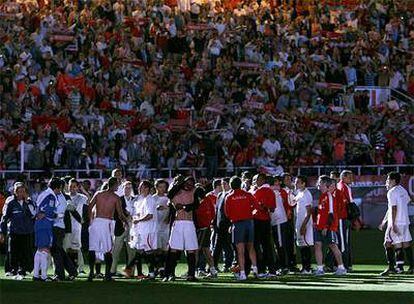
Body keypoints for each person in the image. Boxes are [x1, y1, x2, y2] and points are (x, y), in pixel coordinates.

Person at [88, 177, 128, 281]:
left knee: (92, 248)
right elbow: (120, 214)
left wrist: (90, 220)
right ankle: (107, 275)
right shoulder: (116, 198)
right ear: (114, 185)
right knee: (108, 250)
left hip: (96, 222)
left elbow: (89, 206)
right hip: (106, 223)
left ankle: (91, 274)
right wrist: (126, 221)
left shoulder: (98, 194)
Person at [164, 176, 199, 282]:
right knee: (174, 248)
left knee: (191, 249)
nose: (189, 186)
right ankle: (170, 274)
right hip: (178, 223)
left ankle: (191, 274)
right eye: (187, 183)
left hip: (189, 223)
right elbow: (170, 195)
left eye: (191, 184)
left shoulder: (194, 192)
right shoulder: (175, 191)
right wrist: (179, 184)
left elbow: (195, 205)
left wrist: (184, 207)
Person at [224, 176, 259, 281]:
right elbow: (257, 208)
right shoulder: (248, 195)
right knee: (251, 247)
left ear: (231, 185)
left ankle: (243, 274)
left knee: (240, 250)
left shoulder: (229, 197)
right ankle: (256, 270)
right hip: (249, 223)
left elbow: (227, 214)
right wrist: (250, 214)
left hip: (237, 224)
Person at [379, 172, 413, 275]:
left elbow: (394, 208)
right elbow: (408, 201)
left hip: (396, 222)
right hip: (405, 221)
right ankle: (410, 266)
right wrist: (384, 221)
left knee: (388, 243)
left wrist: (392, 224)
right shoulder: (402, 190)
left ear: (393, 181)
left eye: (388, 180)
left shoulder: (391, 192)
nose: (386, 182)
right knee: (405, 243)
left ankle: (392, 267)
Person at [0, 182, 35, 280]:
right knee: (13, 252)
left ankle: (22, 271)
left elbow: (33, 215)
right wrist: (2, 232)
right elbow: (4, 218)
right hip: (14, 231)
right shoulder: (11, 203)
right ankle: (13, 270)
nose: (21, 193)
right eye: (19, 191)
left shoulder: (29, 202)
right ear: (15, 192)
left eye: (23, 191)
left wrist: (28, 203)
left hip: (26, 232)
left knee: (25, 252)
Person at [314, 176, 347, 276]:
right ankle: (320, 269)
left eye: (320, 183)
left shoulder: (329, 196)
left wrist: (325, 227)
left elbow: (331, 214)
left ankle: (341, 268)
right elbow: (321, 212)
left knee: (333, 246)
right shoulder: (322, 196)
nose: (318, 184)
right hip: (319, 227)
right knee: (317, 245)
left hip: (329, 227)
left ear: (325, 184)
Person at [32, 178, 61, 281]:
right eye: (60, 188)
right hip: (45, 224)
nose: (60, 191)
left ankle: (36, 275)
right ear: (57, 188)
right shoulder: (51, 196)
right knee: (45, 249)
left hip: (39, 224)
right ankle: (44, 276)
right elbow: (47, 211)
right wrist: (57, 215)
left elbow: (38, 209)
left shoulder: (44, 193)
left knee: (40, 250)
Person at [130, 180, 158, 279]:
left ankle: (153, 272)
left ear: (147, 188)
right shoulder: (141, 199)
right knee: (142, 251)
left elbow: (149, 215)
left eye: (141, 187)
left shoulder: (149, 199)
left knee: (148, 251)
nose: (139, 188)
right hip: (142, 230)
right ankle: (154, 271)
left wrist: (138, 220)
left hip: (148, 230)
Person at [51, 179, 78, 281]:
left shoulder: (62, 198)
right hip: (59, 227)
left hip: (58, 227)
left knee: (56, 251)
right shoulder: (60, 197)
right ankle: (72, 270)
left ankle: (60, 274)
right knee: (59, 250)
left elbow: (60, 214)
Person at [252, 173, 277, 276]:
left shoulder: (258, 192)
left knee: (257, 246)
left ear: (261, 180)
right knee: (268, 246)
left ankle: (261, 270)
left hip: (257, 221)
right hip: (267, 221)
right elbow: (272, 208)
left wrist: (262, 207)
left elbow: (254, 207)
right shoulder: (271, 192)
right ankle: (272, 270)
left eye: (255, 180)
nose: (254, 182)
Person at [63, 179, 88, 274]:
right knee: (66, 247)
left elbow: (89, 201)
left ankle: (80, 268)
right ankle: (69, 267)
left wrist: (83, 190)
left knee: (77, 247)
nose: (72, 188)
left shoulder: (82, 197)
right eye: (70, 186)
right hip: (66, 225)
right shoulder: (64, 197)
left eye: (74, 186)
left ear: (78, 187)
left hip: (77, 226)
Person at [111, 181, 135, 277]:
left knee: (131, 250)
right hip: (120, 226)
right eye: (126, 187)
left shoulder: (136, 199)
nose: (127, 189)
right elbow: (115, 213)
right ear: (123, 189)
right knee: (116, 249)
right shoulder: (118, 199)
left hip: (133, 227)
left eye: (129, 187)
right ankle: (112, 270)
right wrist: (124, 219)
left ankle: (130, 272)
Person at [195, 185, 218, 278]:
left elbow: (197, 216)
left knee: (196, 250)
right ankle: (213, 270)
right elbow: (213, 213)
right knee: (206, 250)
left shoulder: (200, 203)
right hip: (206, 228)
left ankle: (192, 271)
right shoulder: (208, 200)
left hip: (201, 229)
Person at [213, 178, 234, 272]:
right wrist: (214, 223)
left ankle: (227, 265)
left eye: (225, 183)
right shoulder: (220, 195)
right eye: (222, 184)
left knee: (228, 246)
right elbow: (217, 211)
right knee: (217, 246)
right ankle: (214, 266)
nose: (223, 185)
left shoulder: (231, 194)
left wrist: (231, 224)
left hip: (228, 225)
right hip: (219, 225)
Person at [294, 176, 314, 274]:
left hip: (304, 224)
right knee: (301, 245)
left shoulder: (307, 194)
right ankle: (304, 267)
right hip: (299, 222)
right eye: (295, 182)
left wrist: (303, 225)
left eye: (298, 182)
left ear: (303, 183)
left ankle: (307, 268)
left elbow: (309, 212)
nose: (295, 183)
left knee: (306, 245)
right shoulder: (299, 193)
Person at [270, 176, 289, 273]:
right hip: (277, 220)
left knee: (280, 244)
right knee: (277, 244)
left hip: (278, 220)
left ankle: (283, 266)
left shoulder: (275, 192)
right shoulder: (277, 192)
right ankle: (281, 265)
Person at [336, 170, 354, 270]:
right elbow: (349, 203)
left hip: (343, 217)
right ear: (343, 177)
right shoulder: (343, 186)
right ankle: (344, 265)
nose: (351, 179)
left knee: (343, 242)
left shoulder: (344, 186)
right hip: (342, 217)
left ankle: (344, 265)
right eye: (349, 177)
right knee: (343, 242)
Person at [153, 179, 170, 277]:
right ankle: (157, 268)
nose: (162, 189)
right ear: (156, 187)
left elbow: (172, 210)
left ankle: (163, 269)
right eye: (160, 187)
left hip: (165, 226)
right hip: (155, 227)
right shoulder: (152, 198)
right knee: (156, 249)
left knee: (165, 249)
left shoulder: (168, 198)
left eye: (164, 187)